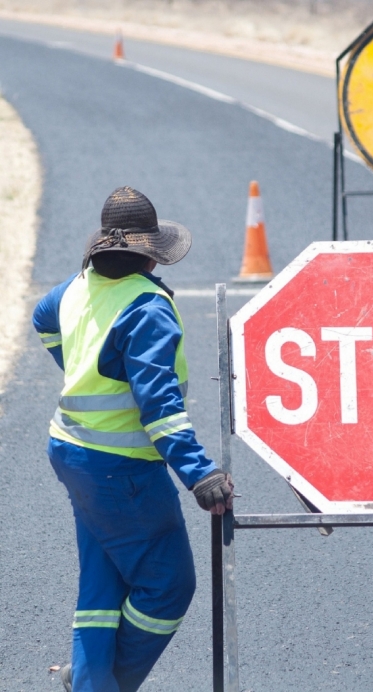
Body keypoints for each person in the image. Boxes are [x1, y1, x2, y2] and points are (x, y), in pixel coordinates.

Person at [33, 187, 234, 692]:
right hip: (119, 466)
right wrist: (200, 474)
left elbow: (43, 317)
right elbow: (159, 407)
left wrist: (74, 366)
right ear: (150, 253)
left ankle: (88, 679)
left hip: (71, 449)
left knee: (102, 581)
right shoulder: (147, 307)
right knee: (167, 585)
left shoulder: (79, 286)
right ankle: (102, 684)